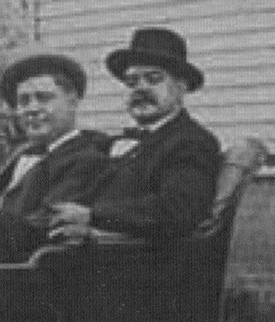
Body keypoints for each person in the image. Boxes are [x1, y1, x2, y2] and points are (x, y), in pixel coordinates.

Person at [46, 27, 221, 244]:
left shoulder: (191, 142)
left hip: (131, 263)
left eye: (153, 79)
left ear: (181, 87)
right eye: (132, 82)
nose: (140, 88)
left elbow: (176, 211)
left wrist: (92, 216)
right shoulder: (117, 142)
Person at [0, 51, 109, 265]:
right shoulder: (14, 159)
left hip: (23, 272)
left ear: (73, 102)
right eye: (24, 102)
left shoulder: (87, 158)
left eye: (44, 98)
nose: (32, 109)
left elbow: (50, 218)